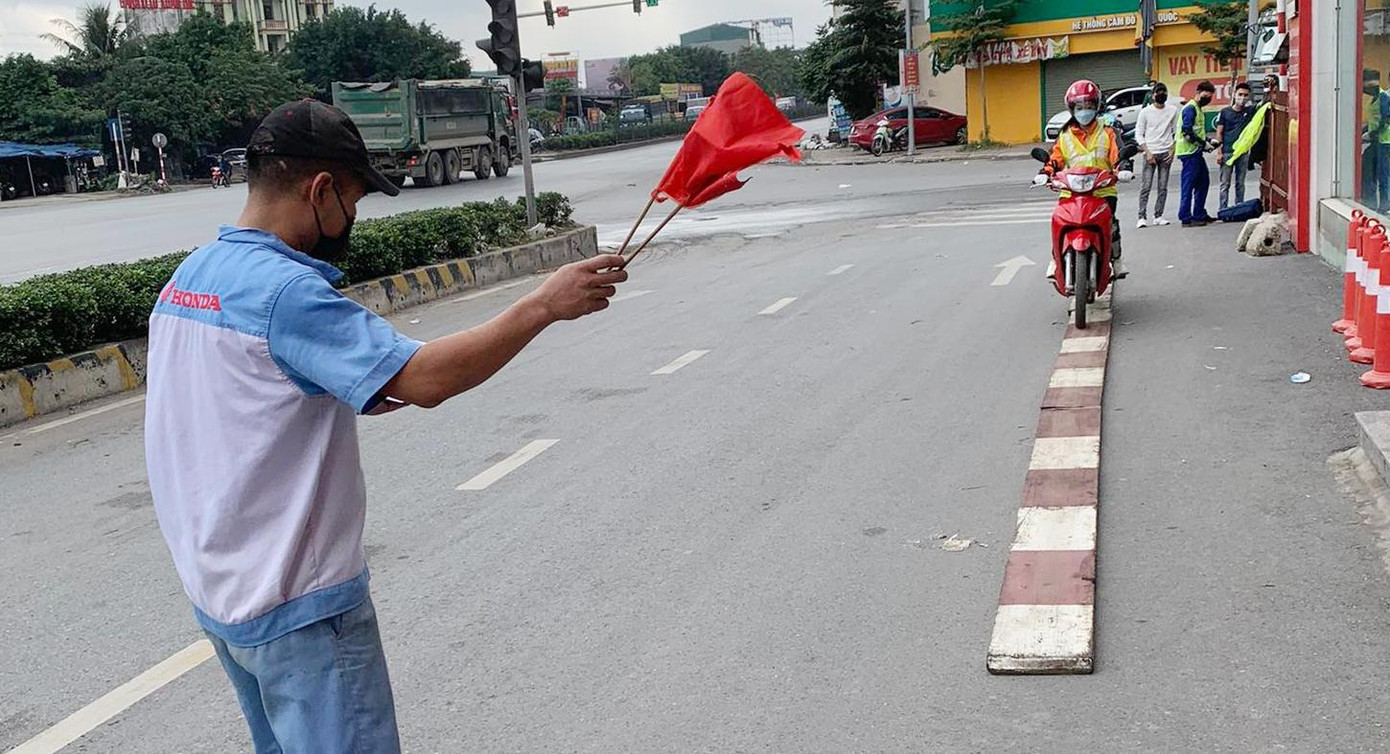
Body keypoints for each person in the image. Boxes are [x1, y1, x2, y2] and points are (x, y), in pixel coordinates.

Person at [143, 99, 627, 753]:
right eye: (353, 201)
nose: (353, 220)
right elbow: (426, 379)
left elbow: (244, 402)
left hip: (225, 602)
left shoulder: (190, 278)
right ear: (319, 191)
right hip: (302, 609)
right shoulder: (287, 293)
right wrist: (542, 305)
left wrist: (369, 384)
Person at [1034, 79, 1133, 279]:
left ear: (1096, 106)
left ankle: (1117, 260)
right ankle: (1055, 260)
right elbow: (1055, 159)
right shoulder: (1064, 135)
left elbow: (1119, 155)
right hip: (1070, 191)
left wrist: (1123, 167)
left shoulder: (1108, 132)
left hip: (1102, 189)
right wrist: (1044, 173)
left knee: (1112, 225)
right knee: (1058, 222)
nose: (1084, 111)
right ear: (1072, 108)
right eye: (1079, 106)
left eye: (1088, 105)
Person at [1134, 82, 1179, 228]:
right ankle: (1141, 217)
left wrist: (1173, 150)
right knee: (1146, 186)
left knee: (1163, 186)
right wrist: (1147, 152)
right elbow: (1139, 134)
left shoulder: (1172, 110)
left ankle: (1158, 215)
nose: (1161, 95)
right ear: (1153, 95)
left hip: (1166, 152)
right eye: (1158, 92)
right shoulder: (1145, 112)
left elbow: (1176, 131)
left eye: (1164, 92)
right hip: (1150, 152)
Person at [1176, 80, 1217, 228]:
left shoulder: (1198, 109)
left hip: (1196, 152)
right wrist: (1203, 144)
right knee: (1189, 185)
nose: (1207, 99)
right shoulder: (1190, 109)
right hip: (1189, 152)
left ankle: (1199, 213)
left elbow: (1197, 131)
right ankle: (1186, 217)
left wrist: (1209, 140)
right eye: (1206, 95)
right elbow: (1187, 133)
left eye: (1210, 97)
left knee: (1203, 182)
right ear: (1198, 93)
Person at [1215, 82, 1255, 211]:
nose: (1242, 97)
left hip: (1242, 153)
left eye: (1245, 95)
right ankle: (1223, 209)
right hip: (1227, 152)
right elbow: (1219, 133)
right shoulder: (1225, 112)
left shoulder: (1250, 112)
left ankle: (1239, 207)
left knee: (1240, 183)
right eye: (1240, 94)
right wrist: (1219, 152)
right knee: (1225, 184)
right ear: (1234, 95)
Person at [1364, 69, 1390, 212]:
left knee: (1384, 174)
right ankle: (1376, 203)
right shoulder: (1375, 98)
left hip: (1385, 140)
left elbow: (1385, 119)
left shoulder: (1383, 97)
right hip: (1378, 140)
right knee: (1376, 172)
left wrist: (1372, 133)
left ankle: (1385, 204)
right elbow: (1373, 120)